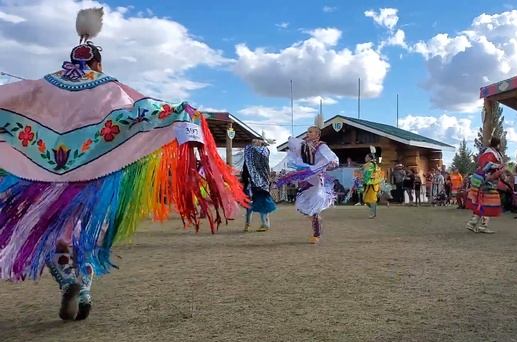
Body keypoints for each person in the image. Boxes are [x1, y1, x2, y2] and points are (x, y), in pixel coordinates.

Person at [0, 8, 247, 321]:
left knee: (52, 235)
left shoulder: (44, 86)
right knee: (87, 238)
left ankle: (67, 282)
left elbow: (13, 99)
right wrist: (181, 112)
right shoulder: (108, 88)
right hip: (95, 181)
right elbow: (141, 113)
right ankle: (85, 290)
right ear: (97, 62)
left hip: (44, 179)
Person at [277, 125, 339, 244]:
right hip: (306, 177)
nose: (308, 133)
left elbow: (331, 158)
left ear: (317, 134)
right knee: (302, 205)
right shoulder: (304, 145)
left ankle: (316, 234)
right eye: (308, 131)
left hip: (316, 177)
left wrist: (325, 166)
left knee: (314, 205)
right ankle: (317, 222)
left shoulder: (321, 145)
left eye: (311, 132)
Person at [466, 136, 505, 233]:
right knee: (488, 202)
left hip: (487, 180)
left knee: (483, 202)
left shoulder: (492, 152)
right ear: (498, 144)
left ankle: (473, 222)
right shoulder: (489, 153)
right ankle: (482, 225)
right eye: (501, 143)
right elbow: (486, 165)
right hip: (486, 180)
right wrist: (500, 167)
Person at [242, 139, 277, 232]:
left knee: (261, 201)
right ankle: (250, 224)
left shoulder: (263, 152)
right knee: (251, 203)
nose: (254, 143)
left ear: (261, 142)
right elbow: (246, 168)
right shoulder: (249, 155)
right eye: (253, 141)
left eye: (257, 141)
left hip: (261, 182)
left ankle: (264, 224)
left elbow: (264, 168)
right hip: (252, 183)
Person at [362, 154, 383, 218]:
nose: (365, 158)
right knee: (365, 199)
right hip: (369, 184)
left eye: (366, 157)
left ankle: (373, 213)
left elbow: (369, 174)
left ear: (369, 158)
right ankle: (374, 210)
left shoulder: (371, 164)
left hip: (372, 184)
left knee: (372, 199)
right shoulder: (371, 164)